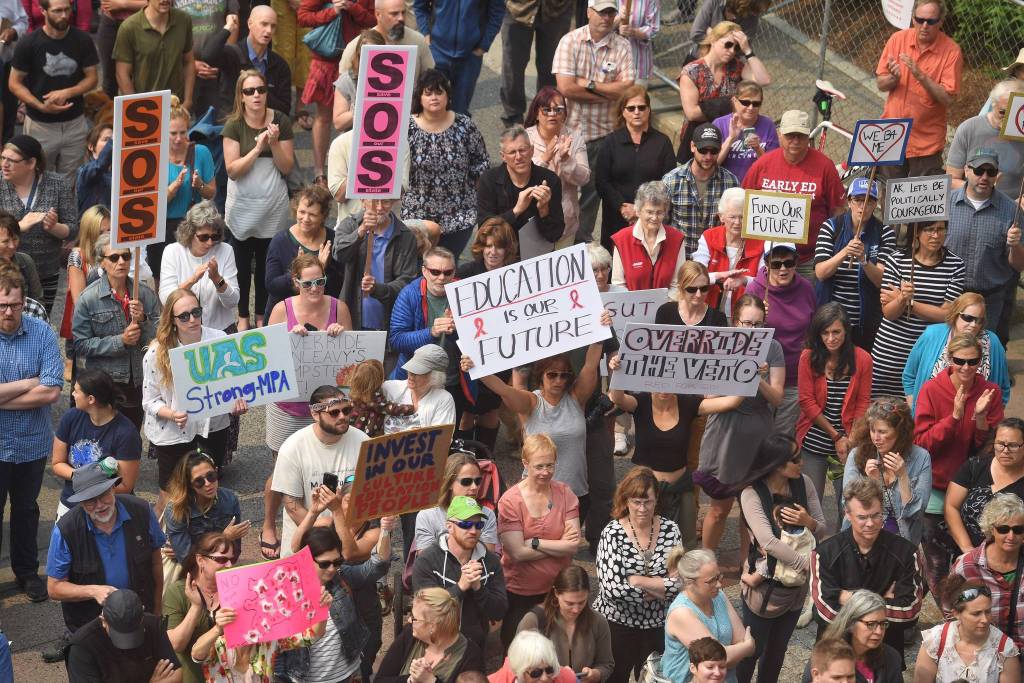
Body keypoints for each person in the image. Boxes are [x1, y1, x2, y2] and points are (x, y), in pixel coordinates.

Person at [262, 255, 352, 554]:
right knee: (282, 473)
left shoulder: (339, 308)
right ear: (296, 282)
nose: (315, 288)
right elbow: (267, 360)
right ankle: (269, 524)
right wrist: (289, 339)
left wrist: (342, 336)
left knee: (322, 466)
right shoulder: (280, 310)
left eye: (320, 282)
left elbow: (352, 358)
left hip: (325, 407)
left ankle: (316, 529)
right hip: (289, 406)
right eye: (308, 283)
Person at [46, 463, 166, 662]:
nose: (99, 505)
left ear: (113, 488)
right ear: (81, 503)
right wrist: (93, 591)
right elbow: (54, 588)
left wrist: (158, 608)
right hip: (91, 628)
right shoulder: (65, 530)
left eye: (103, 495)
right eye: (90, 501)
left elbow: (155, 562)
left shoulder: (142, 511)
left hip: (139, 618)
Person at [471, 333, 607, 509]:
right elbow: (503, 390)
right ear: (541, 376)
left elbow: (590, 365)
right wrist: (475, 368)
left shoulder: (576, 398)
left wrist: (600, 335)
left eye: (564, 375)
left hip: (575, 494)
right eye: (552, 375)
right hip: (537, 496)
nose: (559, 380)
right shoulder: (531, 402)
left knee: (570, 537)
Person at [692, 293, 785, 551]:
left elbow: (777, 399)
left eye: (758, 324)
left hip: (757, 435)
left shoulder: (773, 348)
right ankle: (707, 561)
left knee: (751, 511)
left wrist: (759, 379)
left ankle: (748, 563)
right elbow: (706, 394)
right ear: (736, 322)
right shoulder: (720, 344)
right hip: (725, 432)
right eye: (747, 323)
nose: (753, 329)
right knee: (719, 510)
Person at [142, 288, 245, 517]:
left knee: (207, 487)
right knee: (170, 494)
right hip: (173, 431)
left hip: (214, 426)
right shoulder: (156, 352)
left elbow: (235, 385)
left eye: (196, 312)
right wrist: (172, 414)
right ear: (172, 320)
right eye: (184, 316)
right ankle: (162, 543)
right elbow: (149, 401)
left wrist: (237, 403)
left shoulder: (219, 340)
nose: (192, 319)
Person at [914, 333, 1003, 594]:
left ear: (980, 361)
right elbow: (923, 444)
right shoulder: (932, 389)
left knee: (970, 561)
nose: (966, 367)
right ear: (949, 360)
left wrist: (981, 417)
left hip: (973, 491)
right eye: (959, 360)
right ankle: (948, 616)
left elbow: (987, 449)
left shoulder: (990, 392)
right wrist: (954, 417)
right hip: (937, 487)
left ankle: (968, 611)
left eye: (972, 361)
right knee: (937, 562)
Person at [737, 434, 827, 683]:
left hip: (795, 588)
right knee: (751, 650)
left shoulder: (804, 483)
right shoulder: (752, 494)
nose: (802, 463)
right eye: (795, 459)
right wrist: (806, 564)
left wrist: (807, 521)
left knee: (777, 652)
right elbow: (768, 541)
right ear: (776, 463)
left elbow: (822, 528)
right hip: (765, 588)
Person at [607, 356, 718, 549]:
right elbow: (618, 398)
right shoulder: (640, 402)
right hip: (646, 491)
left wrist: (752, 378)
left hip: (681, 489)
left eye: (670, 383)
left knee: (686, 543)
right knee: (645, 541)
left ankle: (681, 579)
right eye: (659, 383)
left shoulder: (687, 403)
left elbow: (729, 403)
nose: (664, 390)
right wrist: (617, 372)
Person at [0, 264, 62, 603]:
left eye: (15, 305)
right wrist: (27, 383)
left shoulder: (42, 333)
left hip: (31, 444)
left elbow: (52, 391)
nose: (9, 312)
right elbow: (39, 386)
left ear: (25, 302)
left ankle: (27, 572)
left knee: (26, 510)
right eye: (2, 305)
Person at [809, 478, 924, 659]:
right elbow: (824, 612)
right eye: (862, 517)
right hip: (836, 653)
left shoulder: (906, 553)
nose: (870, 523)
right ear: (847, 514)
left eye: (876, 515)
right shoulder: (825, 553)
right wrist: (882, 602)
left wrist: (849, 598)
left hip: (885, 653)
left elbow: (910, 611)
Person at [552, 0, 635, 240]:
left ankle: (581, 245)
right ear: (589, 11)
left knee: (592, 196)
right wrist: (608, 92)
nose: (606, 18)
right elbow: (566, 88)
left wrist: (587, 83)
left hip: (603, 135)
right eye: (601, 12)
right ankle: (555, 242)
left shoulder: (623, 46)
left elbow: (626, 90)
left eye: (611, 12)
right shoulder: (570, 41)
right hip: (568, 133)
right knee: (562, 193)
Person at [593, 467, 682, 683]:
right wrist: (658, 589)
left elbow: (680, 583)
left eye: (648, 502)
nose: (642, 508)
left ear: (656, 500)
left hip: (657, 625)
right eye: (636, 502)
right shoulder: (612, 533)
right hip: (617, 623)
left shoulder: (671, 530)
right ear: (626, 501)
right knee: (614, 678)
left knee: (655, 679)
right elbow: (611, 589)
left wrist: (638, 581)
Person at [223, 68, 294, 330]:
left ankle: (263, 316)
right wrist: (257, 148)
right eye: (249, 91)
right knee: (241, 265)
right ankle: (243, 315)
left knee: (268, 266)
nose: (256, 95)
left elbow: (287, 167)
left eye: (261, 90)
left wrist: (274, 143)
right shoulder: (233, 125)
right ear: (241, 96)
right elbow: (232, 170)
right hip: (242, 209)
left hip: (272, 208)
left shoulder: (282, 121)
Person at [276, 524, 393, 683]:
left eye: (337, 561)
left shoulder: (341, 577)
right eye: (324, 564)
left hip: (349, 676)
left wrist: (385, 530)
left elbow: (377, 567)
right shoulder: (284, 593)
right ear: (306, 559)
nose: (332, 569)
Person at [496, 434, 581, 648]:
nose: (546, 472)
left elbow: (573, 544)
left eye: (550, 465)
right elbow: (517, 553)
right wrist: (558, 546)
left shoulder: (565, 494)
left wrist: (534, 542)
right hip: (520, 593)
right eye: (539, 466)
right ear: (525, 464)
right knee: (517, 653)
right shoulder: (511, 501)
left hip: (557, 590)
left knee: (557, 653)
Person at [73, 233, 161, 430]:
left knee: (129, 437)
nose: (121, 262)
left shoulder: (144, 293)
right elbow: (80, 344)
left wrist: (144, 320)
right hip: (105, 383)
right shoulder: (88, 298)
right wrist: (120, 341)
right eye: (114, 257)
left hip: (138, 381)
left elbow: (161, 335)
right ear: (101, 263)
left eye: (126, 256)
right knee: (103, 438)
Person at [742, 110, 845, 277]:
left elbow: (839, 210)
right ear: (780, 135)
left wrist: (831, 247)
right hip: (768, 258)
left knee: (810, 302)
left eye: (801, 136)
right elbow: (743, 202)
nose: (795, 141)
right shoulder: (763, 164)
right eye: (790, 135)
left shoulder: (825, 166)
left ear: (808, 136)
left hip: (809, 259)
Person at [270, 385, 369, 557]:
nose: (343, 417)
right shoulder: (293, 448)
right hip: (305, 546)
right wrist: (327, 540)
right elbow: (293, 507)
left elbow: (368, 497)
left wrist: (344, 538)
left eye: (346, 410)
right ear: (315, 414)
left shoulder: (363, 442)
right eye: (334, 413)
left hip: (349, 543)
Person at [871, 219, 964, 398]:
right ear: (917, 232)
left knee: (917, 407)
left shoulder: (955, 265)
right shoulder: (896, 260)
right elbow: (889, 313)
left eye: (941, 229)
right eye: (929, 229)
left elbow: (946, 315)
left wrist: (907, 302)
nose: (936, 235)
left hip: (928, 352)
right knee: (880, 407)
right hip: (890, 351)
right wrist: (901, 299)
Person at [403, 69, 490, 258]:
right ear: (420, 97)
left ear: (448, 96)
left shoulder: (465, 125)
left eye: (439, 92)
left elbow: (481, 165)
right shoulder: (406, 128)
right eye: (428, 93)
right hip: (417, 214)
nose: (434, 97)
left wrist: (481, 207)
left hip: (459, 214)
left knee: (448, 268)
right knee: (417, 268)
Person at [381, 344, 457, 556]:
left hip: (416, 478)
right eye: (410, 369)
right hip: (382, 473)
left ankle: (411, 577)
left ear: (436, 377)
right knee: (377, 530)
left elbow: (436, 445)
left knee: (414, 531)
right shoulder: (392, 388)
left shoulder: (443, 400)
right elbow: (358, 386)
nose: (411, 375)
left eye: (419, 372)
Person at [797, 303, 873, 516]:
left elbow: (862, 404)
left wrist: (850, 439)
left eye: (836, 332)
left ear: (846, 331)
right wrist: (836, 436)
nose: (831, 338)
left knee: (848, 503)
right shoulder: (808, 357)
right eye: (825, 333)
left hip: (850, 439)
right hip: (815, 437)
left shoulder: (863, 359)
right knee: (811, 505)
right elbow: (807, 402)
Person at [8, 0, 97, 178]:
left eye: (67, 10)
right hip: (40, 125)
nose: (64, 15)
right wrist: (39, 105)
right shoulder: (29, 43)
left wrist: (68, 92)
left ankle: (64, 207)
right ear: (42, 11)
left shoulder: (82, 40)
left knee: (70, 180)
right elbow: (14, 83)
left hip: (75, 122)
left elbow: (92, 77)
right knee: (38, 177)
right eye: (57, 11)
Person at [875, 0, 962, 179]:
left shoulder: (951, 51)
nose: (924, 26)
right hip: (893, 134)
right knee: (889, 197)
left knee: (919, 203)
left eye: (930, 21)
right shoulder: (897, 39)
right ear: (913, 18)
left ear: (941, 21)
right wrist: (894, 78)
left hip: (926, 144)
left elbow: (947, 99)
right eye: (919, 19)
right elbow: (881, 84)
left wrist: (920, 76)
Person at [945, 148, 1024, 345]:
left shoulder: (1012, 212)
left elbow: (1018, 266)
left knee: (983, 354)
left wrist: (1015, 246)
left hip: (990, 301)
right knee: (945, 351)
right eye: (979, 170)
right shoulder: (945, 204)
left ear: (998, 175)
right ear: (966, 170)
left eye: (991, 172)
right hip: (950, 297)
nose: (984, 177)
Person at [412, 496, 507, 649]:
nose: (473, 530)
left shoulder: (490, 562)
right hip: (433, 647)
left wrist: (478, 588)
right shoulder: (428, 561)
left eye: (478, 524)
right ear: (449, 526)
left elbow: (499, 611)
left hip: (474, 648)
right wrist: (461, 587)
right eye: (466, 524)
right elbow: (425, 611)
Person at [454, 219, 517, 448]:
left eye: (498, 247)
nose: (492, 252)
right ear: (481, 246)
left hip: (500, 351)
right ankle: (464, 454)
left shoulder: (515, 275)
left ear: (507, 249)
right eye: (488, 246)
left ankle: (486, 456)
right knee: (467, 411)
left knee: (491, 409)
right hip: (469, 353)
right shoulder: (466, 273)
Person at [813, 178, 896, 352]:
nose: (862, 206)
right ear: (849, 202)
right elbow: (820, 272)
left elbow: (882, 281)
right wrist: (844, 252)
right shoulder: (831, 227)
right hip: (830, 320)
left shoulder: (885, 232)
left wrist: (864, 260)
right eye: (858, 200)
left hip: (865, 321)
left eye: (869, 201)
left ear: (875, 205)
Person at [297, 0, 375, 183]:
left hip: (356, 59)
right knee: (323, 117)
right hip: (326, 59)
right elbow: (303, 17)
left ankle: (349, 171)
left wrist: (352, 7)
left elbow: (372, 20)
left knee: (355, 117)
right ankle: (319, 173)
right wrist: (333, 11)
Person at [51, 368, 142, 518]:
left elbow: (126, 485)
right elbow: (57, 463)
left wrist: (91, 489)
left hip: (108, 507)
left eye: (76, 391)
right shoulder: (71, 418)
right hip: (72, 503)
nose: (73, 394)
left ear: (91, 399)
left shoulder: (126, 433)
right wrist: (83, 478)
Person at [0, 133, 76, 313]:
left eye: (11, 160)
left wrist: (54, 227)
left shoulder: (58, 184)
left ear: (31, 163)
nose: (4, 164)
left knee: (40, 317)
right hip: (5, 268)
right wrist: (19, 227)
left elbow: (73, 229)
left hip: (47, 269)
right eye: (2, 158)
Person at [746, 243, 816, 435]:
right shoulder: (755, 289)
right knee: (757, 435)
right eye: (776, 264)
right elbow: (742, 335)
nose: (783, 269)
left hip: (795, 378)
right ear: (767, 265)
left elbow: (813, 329)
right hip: (764, 378)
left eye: (788, 263)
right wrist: (759, 318)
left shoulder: (806, 288)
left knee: (783, 439)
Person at [594, 86, 676, 250]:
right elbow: (602, 181)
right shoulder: (611, 142)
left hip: (651, 220)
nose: (636, 112)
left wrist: (641, 211)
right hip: (616, 219)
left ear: (649, 110)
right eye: (631, 108)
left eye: (641, 107)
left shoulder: (662, 142)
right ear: (623, 112)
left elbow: (668, 183)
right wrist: (622, 206)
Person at [678, 20, 770, 165]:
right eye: (728, 44)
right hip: (699, 136)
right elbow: (692, 113)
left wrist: (747, 50)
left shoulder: (737, 67)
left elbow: (763, 80)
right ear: (713, 40)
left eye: (736, 47)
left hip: (729, 135)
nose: (732, 51)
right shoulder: (692, 71)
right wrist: (731, 105)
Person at [841, 397, 931, 545]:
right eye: (872, 430)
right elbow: (848, 506)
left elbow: (915, 513)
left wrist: (902, 476)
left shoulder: (921, 458)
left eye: (882, 432)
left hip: (902, 541)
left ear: (900, 432)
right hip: (861, 540)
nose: (876, 438)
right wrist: (872, 484)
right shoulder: (857, 455)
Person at [903, 292, 1011, 410]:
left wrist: (992, 417)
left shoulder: (992, 342)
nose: (974, 324)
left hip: (974, 421)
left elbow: (1003, 387)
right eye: (968, 318)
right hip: (932, 417)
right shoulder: (932, 334)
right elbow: (909, 375)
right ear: (955, 314)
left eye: (979, 320)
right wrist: (914, 406)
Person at [662, 548, 755, 683]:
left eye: (718, 576)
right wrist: (747, 647)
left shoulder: (718, 596)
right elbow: (717, 658)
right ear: (689, 583)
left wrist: (734, 651)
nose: (719, 584)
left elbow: (738, 640)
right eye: (711, 580)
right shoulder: (682, 613)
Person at [151, 99, 217, 281]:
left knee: (193, 277)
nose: (179, 138)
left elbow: (211, 192)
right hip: (161, 227)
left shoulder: (201, 152)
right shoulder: (153, 156)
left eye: (183, 132)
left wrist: (199, 185)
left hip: (191, 225)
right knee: (163, 279)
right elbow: (152, 205)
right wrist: (174, 187)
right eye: (173, 133)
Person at [333, 196, 420, 333]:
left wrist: (377, 289)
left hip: (390, 323)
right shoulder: (350, 225)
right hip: (353, 320)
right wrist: (361, 231)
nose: (379, 207)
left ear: (392, 202)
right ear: (362, 201)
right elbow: (339, 255)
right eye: (373, 201)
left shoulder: (405, 236)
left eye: (385, 201)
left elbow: (407, 281)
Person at [914, 574, 1020, 683]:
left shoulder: (1005, 649)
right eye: (976, 614)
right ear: (956, 613)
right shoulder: (935, 640)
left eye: (987, 611)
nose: (985, 619)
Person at [952, 493, 1024, 650]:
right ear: (992, 530)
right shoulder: (967, 566)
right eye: (1003, 529)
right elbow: (951, 611)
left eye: (1018, 530)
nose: (1011, 536)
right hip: (985, 650)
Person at [517, 565, 614, 682]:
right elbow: (517, 666)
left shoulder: (598, 621)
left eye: (582, 602)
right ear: (556, 593)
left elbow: (606, 663)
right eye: (569, 603)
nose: (576, 609)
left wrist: (596, 674)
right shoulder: (533, 621)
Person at [66, 589, 181, 683]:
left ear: (142, 616)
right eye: (120, 634)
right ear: (103, 621)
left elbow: (176, 674)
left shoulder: (153, 624)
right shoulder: (83, 646)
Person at [198, 6, 292, 121]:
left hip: (266, 129)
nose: (268, 30)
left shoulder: (280, 65)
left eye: (273, 26)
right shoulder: (233, 54)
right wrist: (228, 28)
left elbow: (285, 110)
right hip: (233, 128)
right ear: (249, 23)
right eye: (264, 24)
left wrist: (258, 90)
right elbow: (208, 56)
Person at [477, 126, 564, 248]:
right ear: (503, 156)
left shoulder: (550, 180)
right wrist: (516, 211)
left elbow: (555, 235)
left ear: (532, 151)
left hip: (537, 253)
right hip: (501, 253)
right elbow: (484, 232)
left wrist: (544, 210)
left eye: (522, 150)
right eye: (512, 152)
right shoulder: (488, 180)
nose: (518, 157)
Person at [159, 201, 239, 333]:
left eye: (214, 236)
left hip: (221, 329)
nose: (210, 242)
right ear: (190, 233)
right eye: (203, 237)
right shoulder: (172, 251)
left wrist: (217, 279)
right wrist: (192, 280)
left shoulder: (226, 250)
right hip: (184, 332)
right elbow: (167, 300)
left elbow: (232, 301)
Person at [945, 418, 1024, 552]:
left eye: (1013, 445)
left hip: (1013, 561)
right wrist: (967, 549)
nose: (1005, 450)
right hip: (966, 555)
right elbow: (951, 506)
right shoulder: (974, 466)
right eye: (1000, 444)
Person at [376, 587, 485, 683]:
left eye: (414, 618)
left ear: (432, 627)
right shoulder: (410, 633)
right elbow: (380, 680)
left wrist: (430, 681)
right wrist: (411, 680)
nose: (409, 620)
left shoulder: (471, 657)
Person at [162, 532, 231, 683]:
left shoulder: (235, 588)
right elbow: (176, 645)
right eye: (221, 559)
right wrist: (195, 607)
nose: (229, 565)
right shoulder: (177, 592)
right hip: (194, 677)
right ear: (201, 560)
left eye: (231, 559)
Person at [264, 185, 340, 322]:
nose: (305, 218)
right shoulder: (280, 241)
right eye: (302, 212)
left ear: (323, 216)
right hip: (284, 317)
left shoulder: (332, 240)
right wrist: (296, 273)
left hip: (321, 317)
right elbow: (272, 286)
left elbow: (337, 287)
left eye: (312, 214)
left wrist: (322, 270)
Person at [414, 0, 504, 115]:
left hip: (470, 57)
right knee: (431, 109)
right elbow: (419, 6)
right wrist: (426, 34)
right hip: (436, 53)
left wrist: (483, 45)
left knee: (460, 113)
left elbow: (497, 12)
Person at [524, 87, 590, 245]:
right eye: (546, 110)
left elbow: (584, 179)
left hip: (566, 221)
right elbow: (521, 179)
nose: (553, 114)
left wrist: (567, 159)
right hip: (531, 221)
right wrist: (545, 158)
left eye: (558, 110)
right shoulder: (525, 138)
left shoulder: (575, 139)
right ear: (537, 114)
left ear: (565, 114)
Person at [662, 123, 738, 258]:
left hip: (715, 257)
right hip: (678, 257)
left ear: (720, 149)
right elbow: (661, 222)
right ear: (692, 147)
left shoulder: (731, 182)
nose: (708, 157)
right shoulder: (671, 180)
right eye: (703, 150)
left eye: (714, 151)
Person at [498, 0, 572, 129]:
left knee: (552, 68)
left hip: (557, 9)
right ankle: (513, 118)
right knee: (513, 68)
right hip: (518, 9)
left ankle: (546, 113)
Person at [691, 186, 761, 320]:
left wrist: (743, 280)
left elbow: (764, 281)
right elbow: (696, 274)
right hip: (709, 312)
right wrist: (720, 275)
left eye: (742, 217)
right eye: (732, 217)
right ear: (721, 217)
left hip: (744, 316)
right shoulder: (709, 237)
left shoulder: (759, 243)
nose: (738, 222)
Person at [801, 591, 903, 683]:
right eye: (871, 624)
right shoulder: (827, 658)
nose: (879, 631)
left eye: (883, 624)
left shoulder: (892, 658)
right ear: (851, 623)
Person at [162, 451, 245, 565]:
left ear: (216, 472)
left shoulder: (230, 500)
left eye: (211, 476)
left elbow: (234, 555)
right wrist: (223, 538)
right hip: (189, 570)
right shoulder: (176, 509)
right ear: (189, 484)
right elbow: (187, 560)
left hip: (223, 564)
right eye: (199, 481)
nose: (207, 483)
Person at [947, 79, 1024, 199]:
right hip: (974, 201)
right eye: (1003, 112)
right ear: (993, 104)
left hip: (1014, 206)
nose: (1007, 118)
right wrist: (986, 195)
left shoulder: (1021, 134)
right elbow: (952, 179)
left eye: (1013, 113)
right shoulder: (969, 129)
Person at [113, 0, 196, 107]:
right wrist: (135, 106)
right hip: (143, 105)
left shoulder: (184, 20)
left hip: (176, 103)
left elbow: (188, 61)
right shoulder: (129, 27)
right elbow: (122, 73)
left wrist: (188, 101)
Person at [609, 180, 686, 292]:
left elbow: (677, 285)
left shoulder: (677, 239)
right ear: (638, 211)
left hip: (666, 306)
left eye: (659, 212)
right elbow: (618, 285)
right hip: (633, 307)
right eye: (649, 212)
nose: (654, 218)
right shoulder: (621, 240)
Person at [415, 453, 499, 552]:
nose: (474, 487)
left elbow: (488, 558)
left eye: (478, 481)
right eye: (466, 481)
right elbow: (426, 562)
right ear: (448, 482)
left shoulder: (487, 514)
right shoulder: (427, 516)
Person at [336, 0, 434, 83]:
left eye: (403, 12)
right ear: (378, 14)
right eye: (394, 14)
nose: (401, 18)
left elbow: (431, 80)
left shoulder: (418, 41)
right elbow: (343, 91)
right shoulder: (356, 46)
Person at [712, 80, 777, 182]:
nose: (750, 108)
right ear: (734, 100)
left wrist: (757, 149)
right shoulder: (720, 124)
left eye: (756, 103)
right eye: (745, 103)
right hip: (725, 185)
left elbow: (772, 168)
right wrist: (730, 139)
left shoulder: (768, 125)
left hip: (755, 187)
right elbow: (711, 166)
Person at [489, 630, 578, 683]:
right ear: (519, 672)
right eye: (536, 673)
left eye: (550, 669)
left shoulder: (566, 678)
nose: (545, 678)